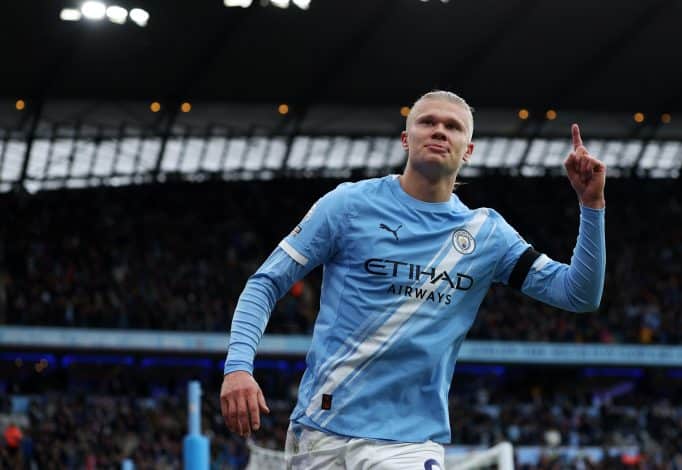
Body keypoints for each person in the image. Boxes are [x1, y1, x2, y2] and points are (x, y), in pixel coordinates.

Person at [220, 90, 606, 469]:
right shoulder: (348, 206)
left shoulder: (487, 234)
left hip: (409, 442)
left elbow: (578, 294)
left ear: (467, 150)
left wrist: (591, 207)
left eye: (452, 126)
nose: (439, 130)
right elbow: (264, 283)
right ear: (407, 139)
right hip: (322, 430)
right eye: (428, 122)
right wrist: (238, 366)